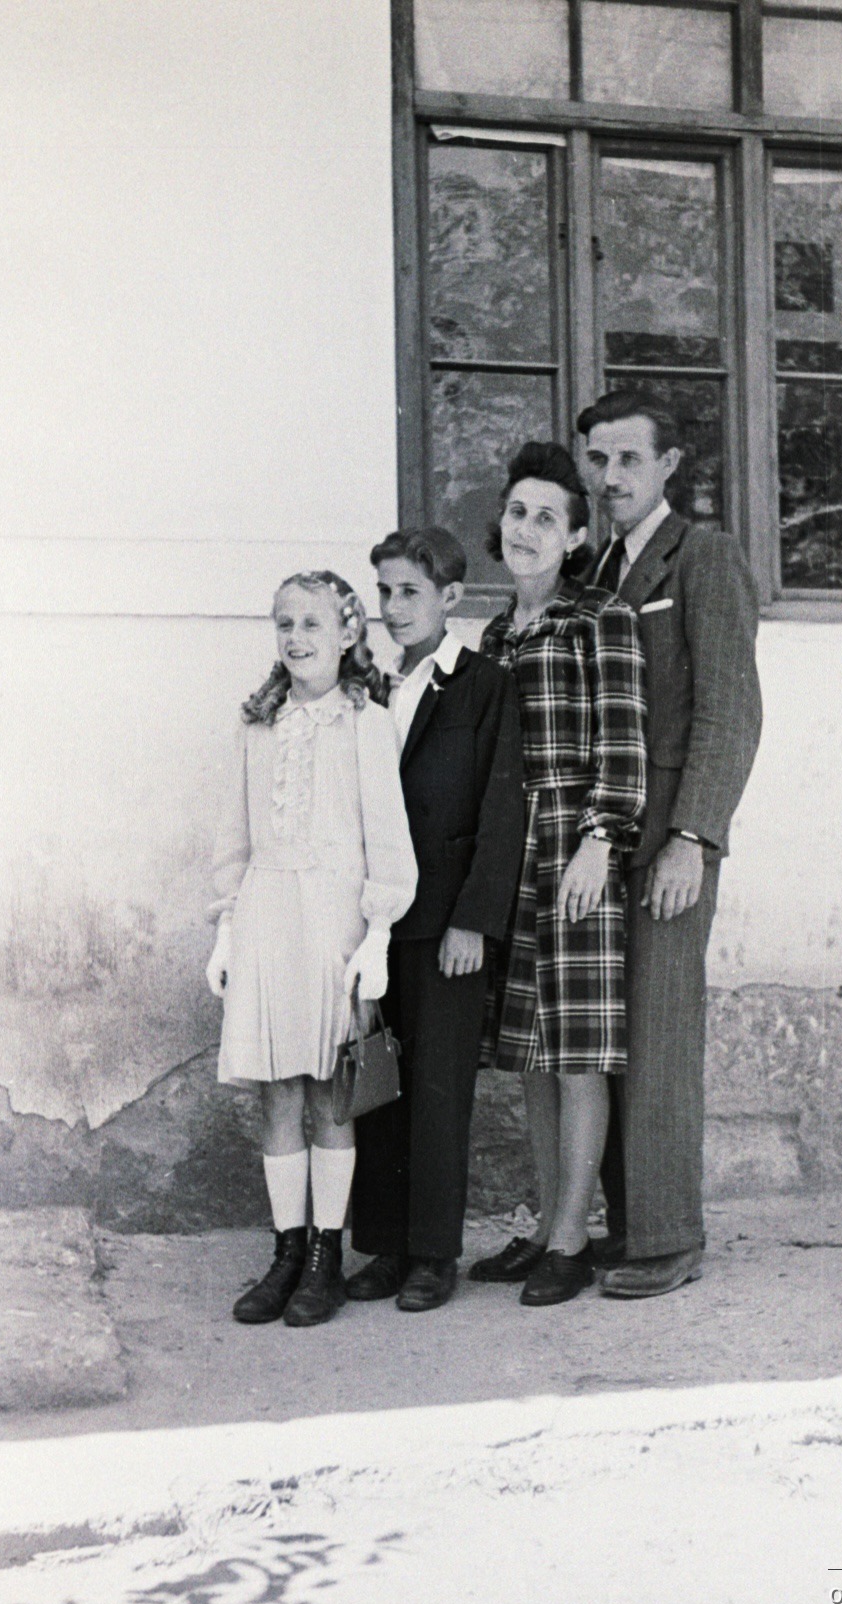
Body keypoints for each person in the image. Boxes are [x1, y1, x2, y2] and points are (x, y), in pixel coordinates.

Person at [576, 389, 762, 1299]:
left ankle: (666, 1236)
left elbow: (731, 710)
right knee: (610, 1034)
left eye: (627, 460)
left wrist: (694, 834)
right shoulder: (594, 567)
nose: (609, 477)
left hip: (669, 840)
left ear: (667, 467)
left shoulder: (704, 557)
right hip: (601, 840)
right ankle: (622, 1223)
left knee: (657, 1029)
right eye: (597, 460)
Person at [206, 570, 417, 1328]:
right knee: (277, 1090)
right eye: (284, 624)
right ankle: (286, 1250)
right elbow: (232, 835)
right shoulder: (256, 723)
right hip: (266, 912)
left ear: (347, 634)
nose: (297, 638)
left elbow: (388, 839)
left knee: (330, 1090)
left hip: (333, 920)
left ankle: (327, 1254)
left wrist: (379, 934)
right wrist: (227, 926)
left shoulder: (365, 721)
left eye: (312, 625)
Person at [469, 441, 648, 1307]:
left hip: (576, 849)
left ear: (575, 536)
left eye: (547, 516)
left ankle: (573, 1240)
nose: (528, 528)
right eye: (517, 512)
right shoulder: (496, 633)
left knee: (577, 1053)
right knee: (531, 1055)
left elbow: (623, 744)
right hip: (511, 852)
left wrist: (600, 842)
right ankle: (544, 1225)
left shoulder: (600, 617)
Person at [346, 526, 524, 1312]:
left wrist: (472, 921)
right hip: (370, 919)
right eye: (383, 591)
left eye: (409, 591)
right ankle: (382, 1246)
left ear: (450, 598)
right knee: (377, 1084)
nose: (393, 607)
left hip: (444, 922)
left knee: (437, 1090)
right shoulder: (367, 688)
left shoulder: (483, 685)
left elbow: (501, 808)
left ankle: (431, 1255)